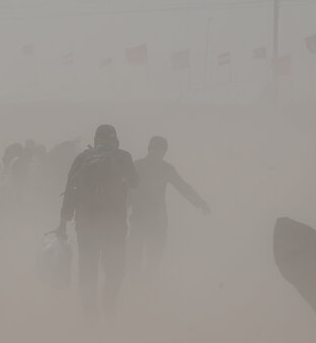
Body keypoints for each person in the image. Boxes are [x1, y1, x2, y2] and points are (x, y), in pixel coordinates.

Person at [56, 124, 138, 320]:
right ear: (114, 139)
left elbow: (70, 190)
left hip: (86, 222)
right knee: (114, 267)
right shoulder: (123, 156)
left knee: (87, 267)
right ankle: (109, 305)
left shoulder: (82, 158)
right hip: (115, 223)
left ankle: (90, 312)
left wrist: (62, 223)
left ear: (95, 140)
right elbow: (135, 182)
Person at [128, 136, 210, 276]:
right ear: (149, 149)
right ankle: (138, 289)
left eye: (158, 150)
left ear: (163, 152)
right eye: (153, 149)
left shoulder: (160, 168)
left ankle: (145, 289)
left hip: (154, 221)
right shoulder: (138, 166)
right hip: (142, 220)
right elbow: (127, 191)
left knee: (152, 259)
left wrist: (200, 202)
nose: (155, 152)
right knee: (137, 259)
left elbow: (182, 187)